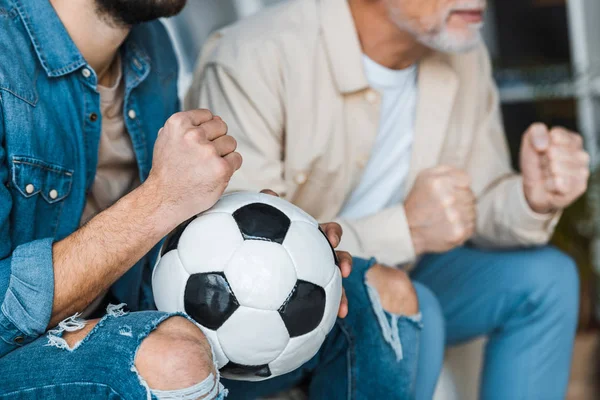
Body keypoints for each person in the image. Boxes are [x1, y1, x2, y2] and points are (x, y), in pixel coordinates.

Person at [0, 1, 421, 399]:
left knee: (380, 296)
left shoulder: (151, 48)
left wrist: (276, 246)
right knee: (174, 357)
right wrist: (159, 200)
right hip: (16, 357)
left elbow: (151, 250)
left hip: (117, 314)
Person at [187, 0, 590, 398]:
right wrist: (408, 229)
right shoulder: (255, 55)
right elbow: (256, 261)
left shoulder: (463, 53)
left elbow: (474, 205)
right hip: (272, 314)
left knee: (546, 278)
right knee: (407, 307)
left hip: (409, 273)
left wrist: (531, 198)